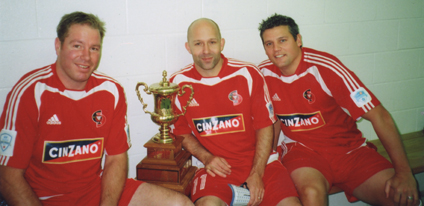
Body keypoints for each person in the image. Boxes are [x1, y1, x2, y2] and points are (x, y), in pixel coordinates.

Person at [0, 11, 193, 206]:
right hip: (44, 198)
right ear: (58, 46)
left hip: (95, 190)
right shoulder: (30, 92)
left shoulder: (110, 91)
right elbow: (7, 175)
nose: (86, 57)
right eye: (77, 46)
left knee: (181, 204)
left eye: (94, 48)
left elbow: (116, 159)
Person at [257, 14, 420, 206]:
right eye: (269, 44)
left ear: (298, 40)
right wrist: (270, 159)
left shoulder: (326, 67)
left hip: (349, 151)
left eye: (282, 40)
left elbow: (380, 116)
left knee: (401, 198)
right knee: (311, 193)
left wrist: (404, 172)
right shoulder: (263, 74)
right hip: (303, 152)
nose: (276, 50)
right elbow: (270, 120)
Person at [169, 18, 301, 206]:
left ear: (221, 44)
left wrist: (257, 173)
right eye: (198, 44)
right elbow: (181, 133)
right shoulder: (177, 84)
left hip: (261, 164)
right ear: (188, 47)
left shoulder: (248, 74)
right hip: (214, 168)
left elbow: (265, 127)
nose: (206, 51)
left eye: (212, 42)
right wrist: (207, 158)